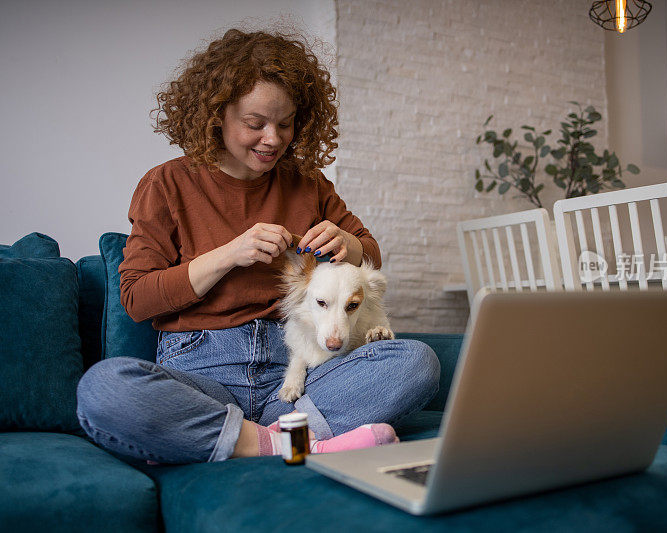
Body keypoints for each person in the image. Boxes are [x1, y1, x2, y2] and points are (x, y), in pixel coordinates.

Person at [76, 29, 440, 464]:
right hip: (202, 377)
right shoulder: (167, 184)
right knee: (103, 387)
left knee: (417, 362)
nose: (273, 138)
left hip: (300, 368)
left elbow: (369, 255)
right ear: (216, 115)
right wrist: (229, 254)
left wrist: (349, 245)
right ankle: (289, 443)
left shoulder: (309, 185)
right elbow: (137, 299)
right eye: (255, 124)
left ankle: (239, 441)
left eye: (285, 124)